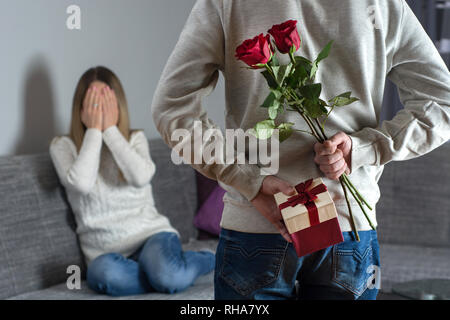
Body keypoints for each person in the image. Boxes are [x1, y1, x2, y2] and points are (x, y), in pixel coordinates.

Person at [151, 0, 450, 300]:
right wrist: (364, 149)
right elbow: (442, 104)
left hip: (256, 227)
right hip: (349, 227)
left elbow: (171, 108)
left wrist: (248, 181)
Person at [49, 66, 215, 297]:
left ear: (119, 105)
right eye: (95, 103)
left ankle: (204, 260)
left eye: (106, 102)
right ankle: (163, 272)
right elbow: (82, 184)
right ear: (81, 107)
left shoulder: (134, 139)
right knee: (104, 276)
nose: (101, 110)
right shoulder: (62, 146)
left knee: (169, 277)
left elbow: (141, 177)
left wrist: (109, 130)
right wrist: (95, 131)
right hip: (105, 254)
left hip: (151, 236)